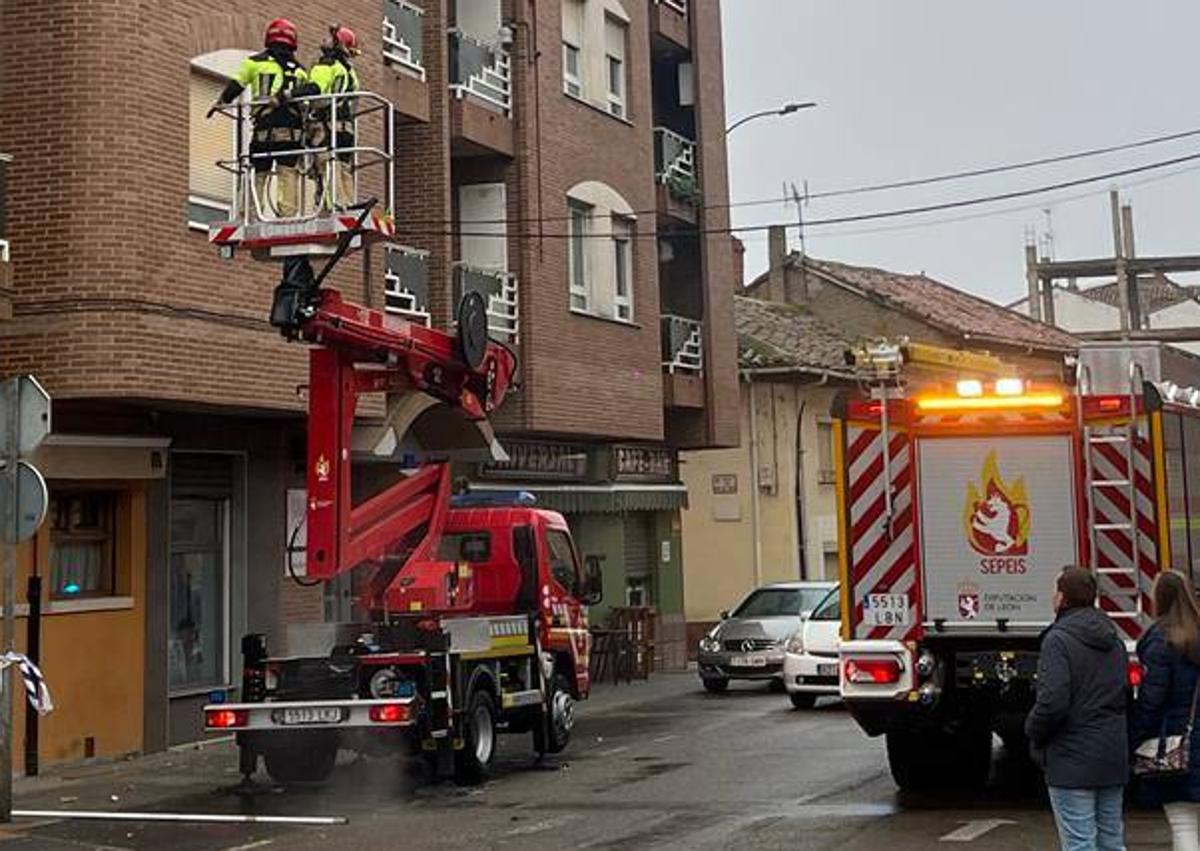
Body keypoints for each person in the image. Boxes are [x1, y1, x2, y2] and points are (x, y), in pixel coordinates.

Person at [1026, 565, 1129, 851]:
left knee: (1080, 844)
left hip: (1071, 757)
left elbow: (1052, 701)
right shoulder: (1113, 639)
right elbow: (1124, 695)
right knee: (1112, 841)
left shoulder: (1057, 640)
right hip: (1110, 755)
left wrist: (1033, 732)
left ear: (1062, 598)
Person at [208, 18, 309, 218]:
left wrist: (219, 103)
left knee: (258, 174)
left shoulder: (254, 63)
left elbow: (236, 86)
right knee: (287, 174)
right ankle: (287, 216)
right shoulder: (301, 71)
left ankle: (250, 213)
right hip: (291, 135)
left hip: (264, 131)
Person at [1132, 571, 1200, 851]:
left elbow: (1152, 700)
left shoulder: (1160, 640)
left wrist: (1134, 736)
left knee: (1184, 823)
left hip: (1177, 741)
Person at [305, 26, 360, 211]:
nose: (324, 40)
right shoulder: (350, 72)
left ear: (337, 43)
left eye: (329, 37)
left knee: (327, 165)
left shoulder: (326, 66)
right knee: (344, 168)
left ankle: (333, 206)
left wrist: (288, 95)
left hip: (327, 126)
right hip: (346, 128)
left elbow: (314, 90)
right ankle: (349, 205)